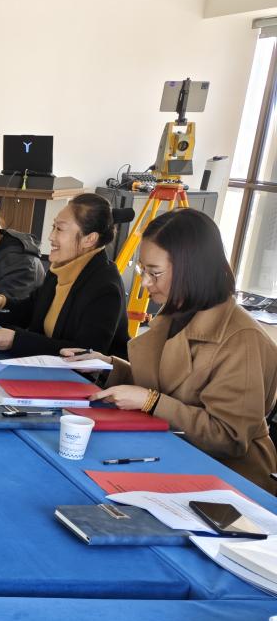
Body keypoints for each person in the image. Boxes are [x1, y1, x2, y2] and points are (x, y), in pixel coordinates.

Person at [64, 209, 277, 493]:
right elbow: (165, 384)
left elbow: (228, 437)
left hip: (228, 480)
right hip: (170, 452)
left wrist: (151, 402)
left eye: (155, 273)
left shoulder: (243, 339)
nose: (145, 283)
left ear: (193, 270)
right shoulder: (177, 312)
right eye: (142, 270)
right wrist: (107, 368)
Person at [0, 194, 127, 357]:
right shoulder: (61, 269)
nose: (51, 236)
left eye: (60, 229)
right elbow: (32, 308)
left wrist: (18, 340)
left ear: (89, 239)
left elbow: (85, 353)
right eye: (53, 227)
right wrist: (2, 302)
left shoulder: (105, 288)